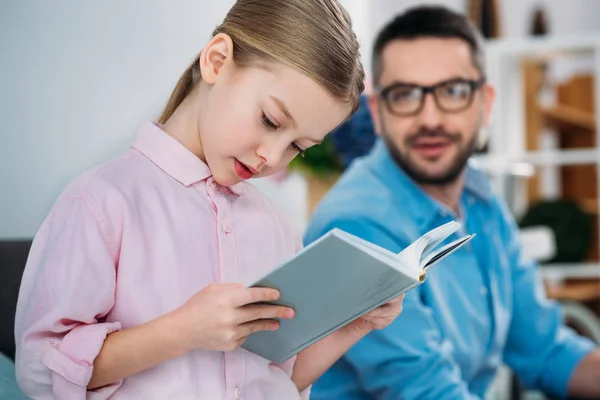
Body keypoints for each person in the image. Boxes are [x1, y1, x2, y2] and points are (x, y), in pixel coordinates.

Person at [13, 1, 406, 398]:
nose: (272, 156)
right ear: (217, 61)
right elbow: (41, 371)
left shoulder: (277, 229)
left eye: (297, 147)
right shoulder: (102, 202)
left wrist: (357, 322)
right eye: (270, 121)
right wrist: (183, 330)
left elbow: (277, 379)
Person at [304, 5, 600, 400]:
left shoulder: (482, 201)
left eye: (453, 91)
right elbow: (428, 391)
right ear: (377, 112)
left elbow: (546, 350)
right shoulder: (356, 225)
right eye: (405, 94)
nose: (430, 117)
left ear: (486, 102)